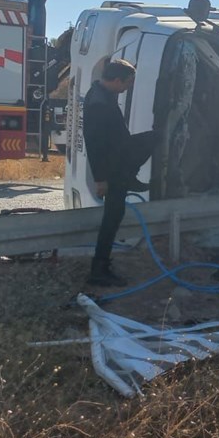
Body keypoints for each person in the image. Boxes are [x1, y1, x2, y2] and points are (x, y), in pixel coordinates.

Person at [83, 58, 155, 286]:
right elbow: (93, 144)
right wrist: (100, 179)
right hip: (112, 168)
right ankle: (99, 270)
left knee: (155, 137)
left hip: (119, 161)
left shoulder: (103, 93)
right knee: (113, 216)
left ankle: (130, 177)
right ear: (115, 80)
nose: (128, 88)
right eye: (127, 84)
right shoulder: (98, 103)